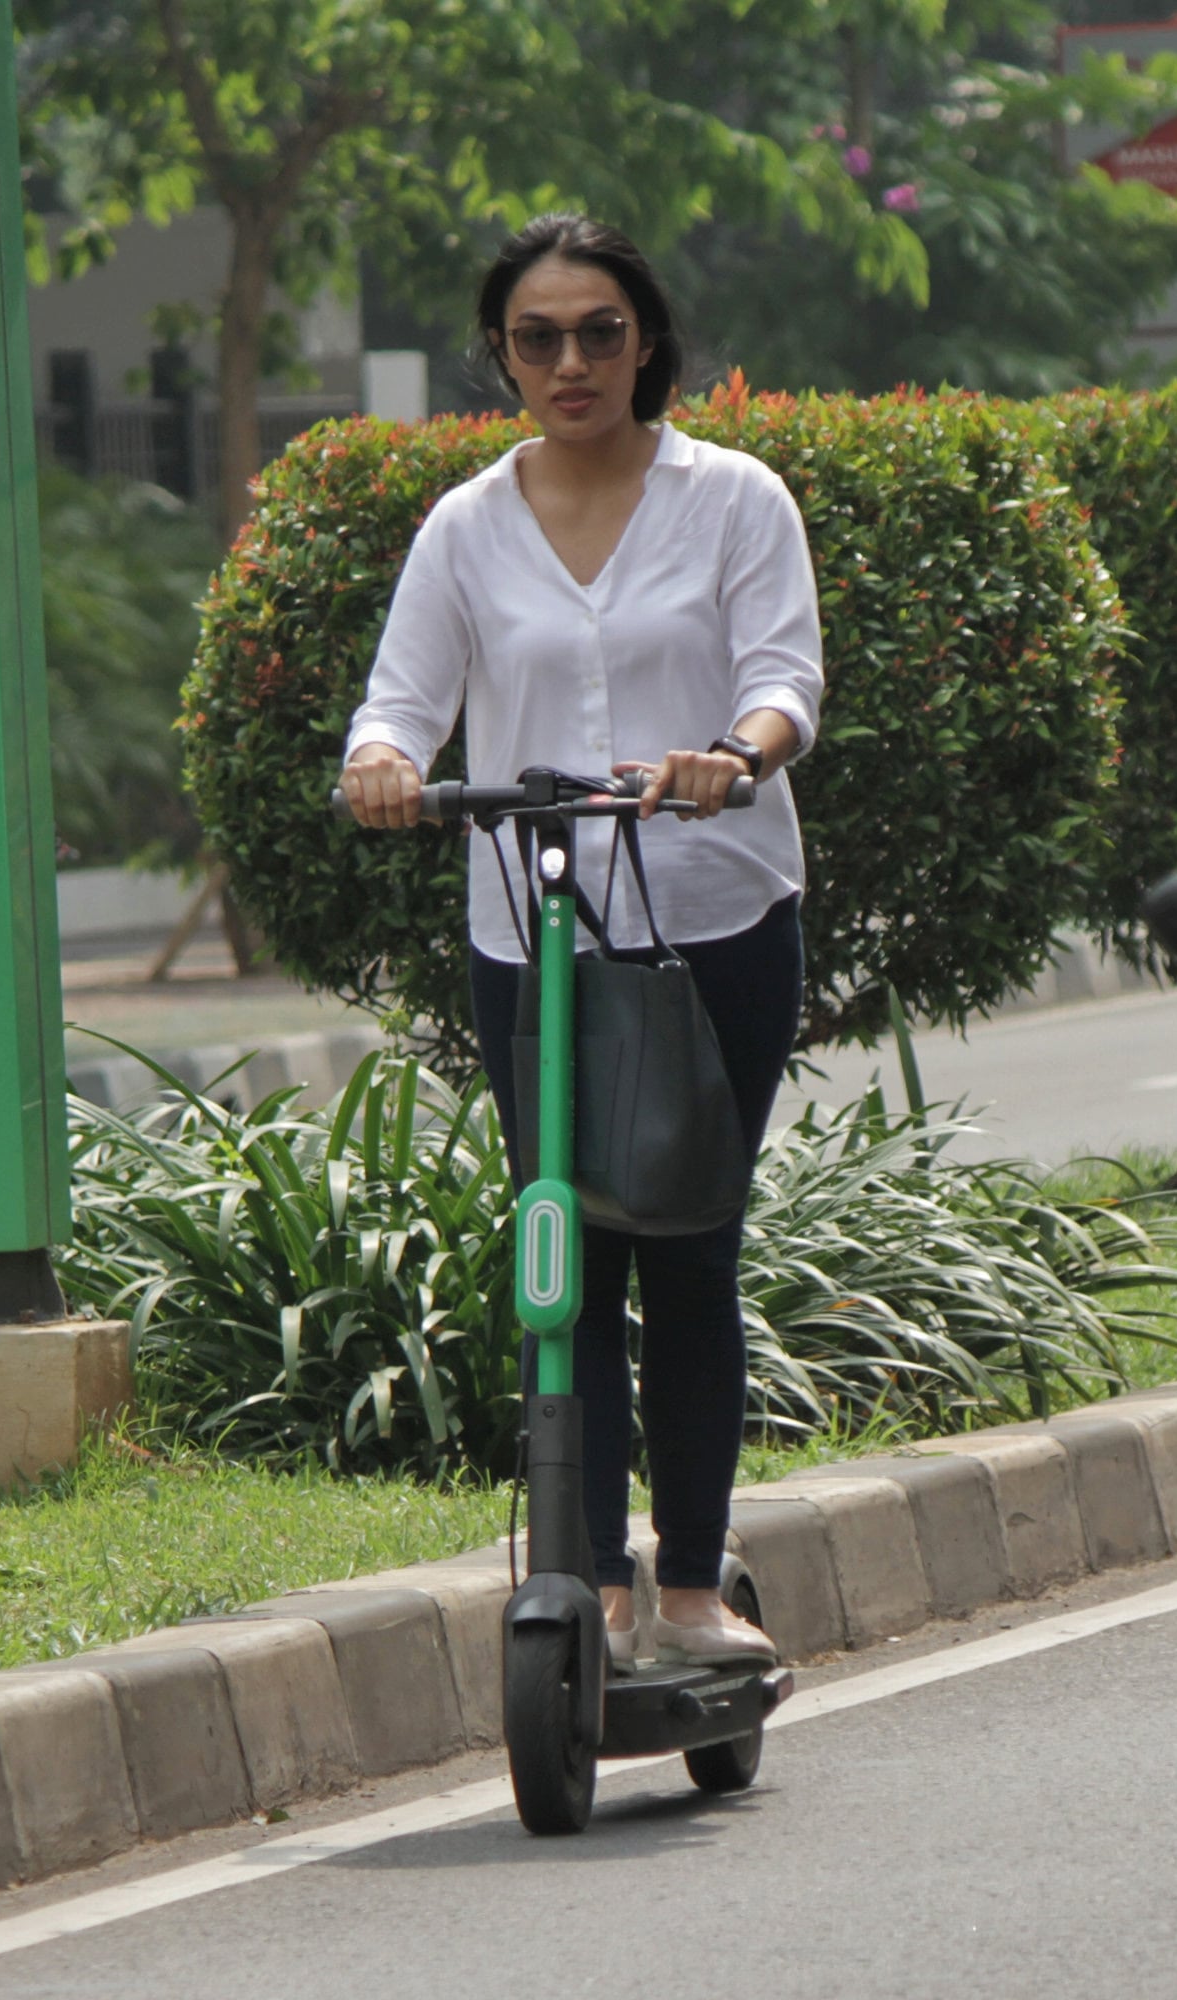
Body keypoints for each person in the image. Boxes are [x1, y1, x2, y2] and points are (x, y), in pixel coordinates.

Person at [341, 214, 822, 1670]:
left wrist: (732, 755)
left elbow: (784, 678)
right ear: (500, 355)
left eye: (599, 333)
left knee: (688, 1248)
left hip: (716, 921)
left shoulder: (734, 499)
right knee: (575, 1258)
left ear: (648, 344)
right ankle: (594, 1582)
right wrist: (380, 763)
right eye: (537, 338)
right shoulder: (465, 526)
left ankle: (687, 1588)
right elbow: (401, 702)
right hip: (532, 937)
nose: (571, 362)